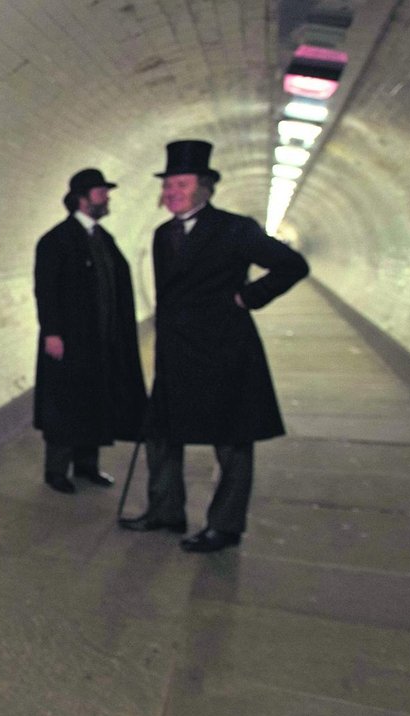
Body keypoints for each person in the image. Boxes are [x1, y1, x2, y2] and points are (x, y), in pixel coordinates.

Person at [119, 140, 309, 553]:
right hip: (176, 349)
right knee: (161, 433)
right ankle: (165, 510)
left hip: (224, 349)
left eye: (181, 185)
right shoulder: (162, 234)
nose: (171, 192)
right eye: (167, 185)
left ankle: (224, 526)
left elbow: (293, 265)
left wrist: (248, 297)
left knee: (232, 439)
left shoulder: (235, 228)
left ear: (205, 187)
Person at [32, 169, 147, 494]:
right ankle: (56, 470)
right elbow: (46, 290)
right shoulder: (56, 240)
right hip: (68, 340)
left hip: (99, 341)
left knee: (93, 402)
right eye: (101, 192)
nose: (107, 197)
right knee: (65, 403)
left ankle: (87, 466)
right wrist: (52, 332)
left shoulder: (102, 238)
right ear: (82, 198)